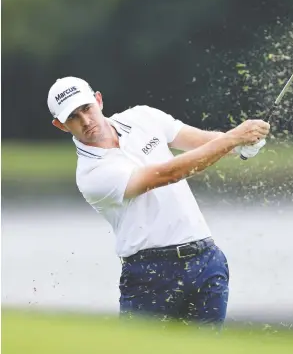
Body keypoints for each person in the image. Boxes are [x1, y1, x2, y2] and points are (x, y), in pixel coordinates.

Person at [47, 76, 269, 326]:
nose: (85, 121)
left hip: (206, 259)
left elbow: (200, 140)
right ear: (61, 125)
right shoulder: (91, 174)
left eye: (86, 108)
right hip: (150, 275)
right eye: (73, 117)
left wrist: (239, 145)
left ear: (98, 100)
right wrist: (232, 139)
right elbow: (168, 174)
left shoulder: (143, 117)